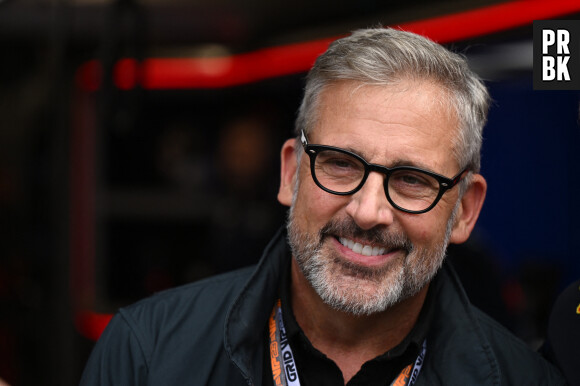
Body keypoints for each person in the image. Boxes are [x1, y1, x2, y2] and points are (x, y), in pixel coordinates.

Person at [80, 28, 565, 385]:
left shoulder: (525, 380)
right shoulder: (145, 355)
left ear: (463, 210)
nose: (368, 211)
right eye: (340, 164)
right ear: (291, 173)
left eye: (413, 179)